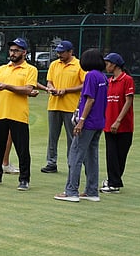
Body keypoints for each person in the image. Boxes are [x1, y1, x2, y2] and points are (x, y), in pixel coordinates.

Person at [0, 37, 38, 191]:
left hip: (18, 114)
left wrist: (7, 86)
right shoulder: (2, 68)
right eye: (11, 50)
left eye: (16, 50)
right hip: (0, 113)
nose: (13, 53)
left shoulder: (30, 70)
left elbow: (28, 89)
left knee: (22, 148)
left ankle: (24, 179)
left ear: (24, 52)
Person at [55, 49, 108, 202]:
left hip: (88, 122)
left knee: (75, 155)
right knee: (92, 156)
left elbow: (90, 100)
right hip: (98, 122)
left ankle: (71, 191)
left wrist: (81, 120)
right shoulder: (103, 77)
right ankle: (92, 191)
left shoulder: (90, 76)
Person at [38, 40, 85, 173]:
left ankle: (72, 163)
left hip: (71, 106)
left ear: (71, 52)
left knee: (72, 137)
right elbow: (49, 81)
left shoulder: (79, 65)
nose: (59, 54)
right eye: (58, 52)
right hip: (54, 104)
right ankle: (51, 163)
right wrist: (52, 88)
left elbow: (84, 84)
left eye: (62, 52)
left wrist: (66, 90)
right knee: (53, 136)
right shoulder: (54, 64)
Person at [102, 52, 134, 194]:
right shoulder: (109, 81)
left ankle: (113, 181)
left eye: (107, 63)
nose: (106, 66)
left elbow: (128, 101)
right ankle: (113, 183)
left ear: (114, 64)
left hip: (124, 125)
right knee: (111, 155)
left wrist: (118, 121)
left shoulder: (127, 79)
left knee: (120, 155)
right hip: (108, 123)